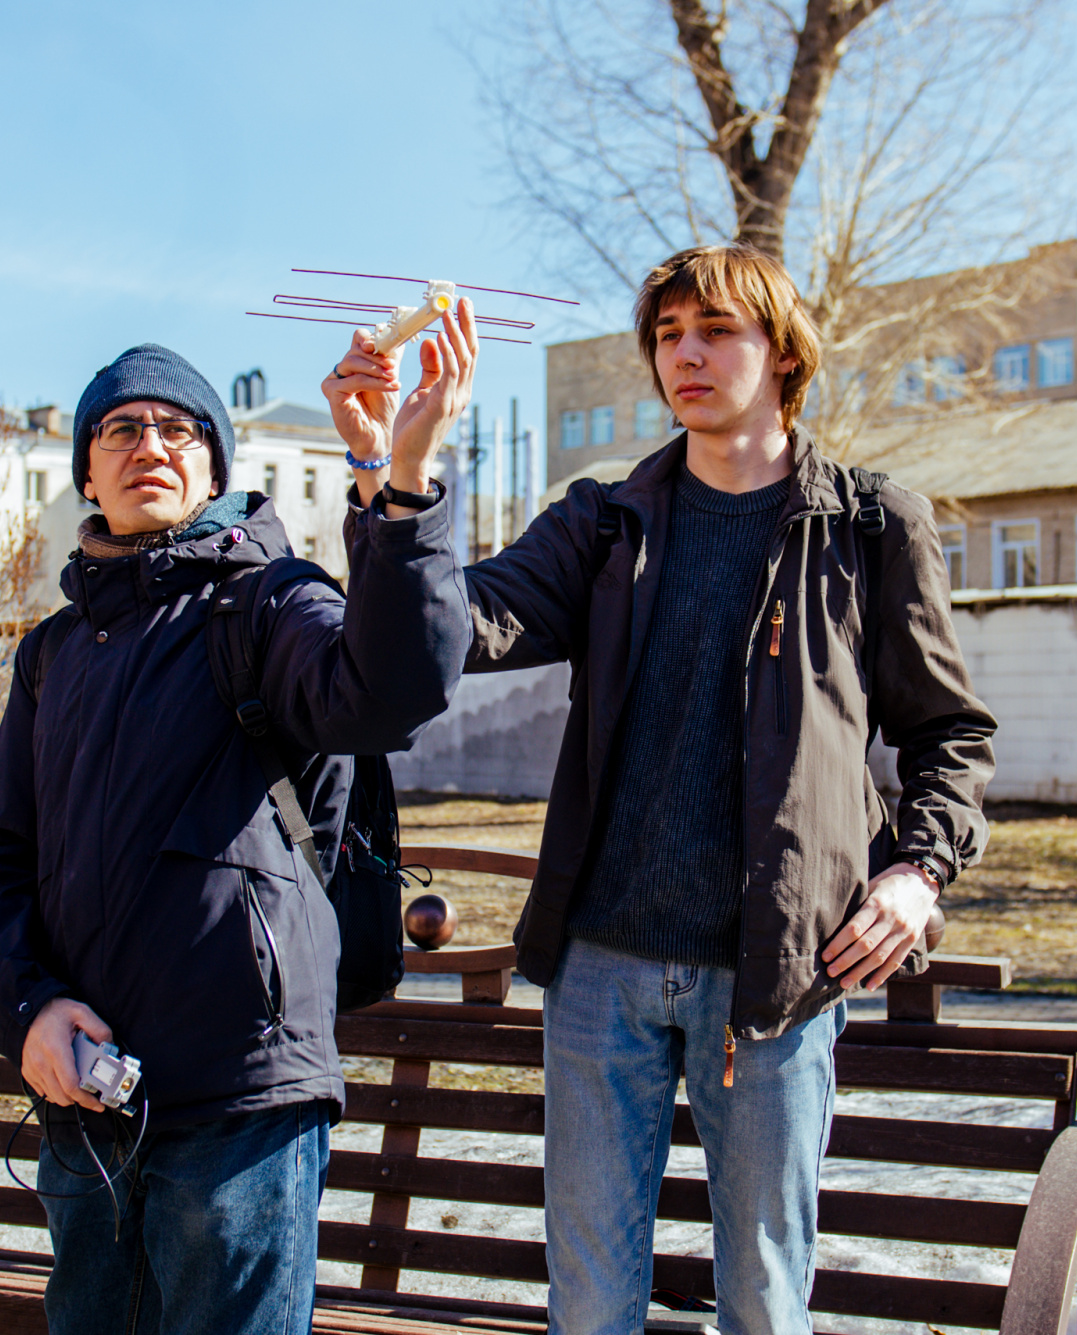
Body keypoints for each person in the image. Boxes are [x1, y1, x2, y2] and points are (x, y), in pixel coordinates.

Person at [341, 245, 997, 1334]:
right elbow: (443, 629)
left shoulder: (870, 527)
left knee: (763, 1301)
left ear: (783, 354)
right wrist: (395, 468)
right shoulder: (603, 522)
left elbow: (950, 735)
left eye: (715, 331)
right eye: (666, 335)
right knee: (590, 1304)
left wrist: (918, 872)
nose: (684, 354)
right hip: (599, 971)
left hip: (777, 978)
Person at [0, 320, 476, 1334]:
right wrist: (27, 1012)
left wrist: (398, 478)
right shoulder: (51, 654)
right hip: (89, 1101)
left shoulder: (270, 603)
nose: (148, 445)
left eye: (178, 429)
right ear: (87, 475)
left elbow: (393, 691)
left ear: (214, 469)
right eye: (120, 430)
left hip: (242, 1101)